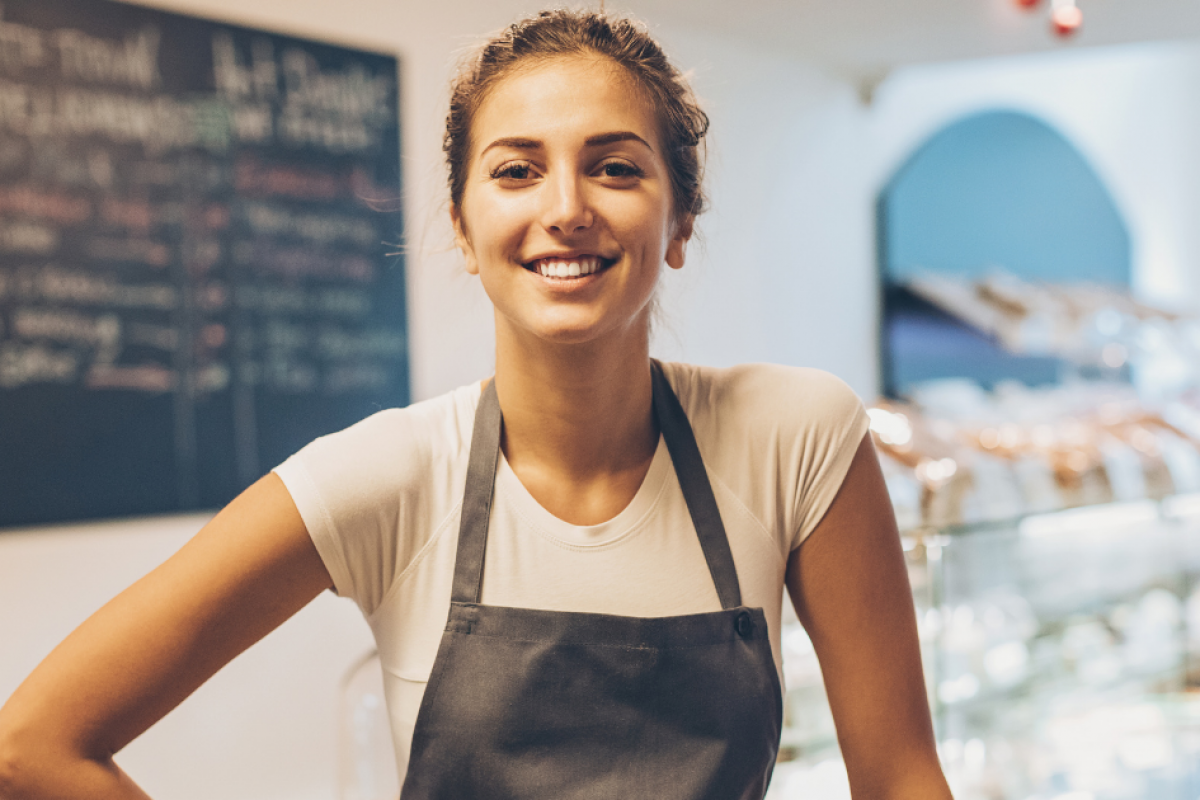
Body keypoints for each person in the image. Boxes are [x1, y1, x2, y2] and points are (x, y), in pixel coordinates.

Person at [0, 9, 953, 799]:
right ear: (462, 226)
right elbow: (33, 744)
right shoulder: (391, 475)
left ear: (679, 222)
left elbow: (902, 778)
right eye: (515, 169)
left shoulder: (798, 436)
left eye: (616, 167)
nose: (567, 206)